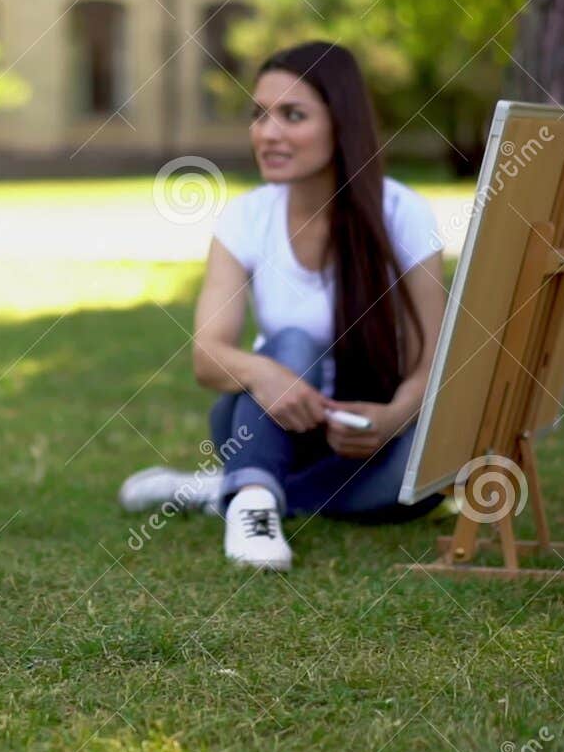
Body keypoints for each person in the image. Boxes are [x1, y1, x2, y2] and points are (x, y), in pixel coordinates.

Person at [118, 42, 447, 571]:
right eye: (259, 115)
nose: (268, 133)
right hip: (269, 423)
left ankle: (235, 486)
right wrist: (267, 374)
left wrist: (392, 417)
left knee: (430, 477)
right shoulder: (246, 218)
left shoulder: (402, 213)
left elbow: (437, 358)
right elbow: (208, 355)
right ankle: (251, 505)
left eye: (292, 115)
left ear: (341, 123)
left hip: (366, 438)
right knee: (290, 341)